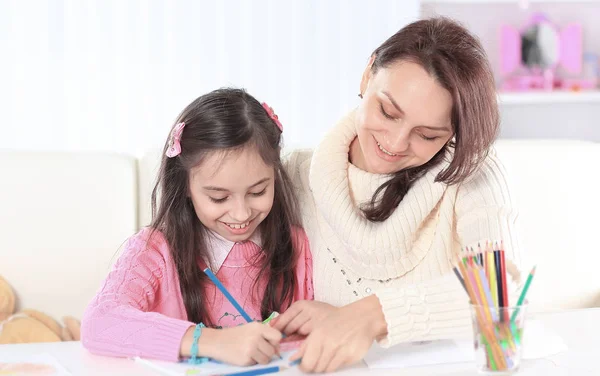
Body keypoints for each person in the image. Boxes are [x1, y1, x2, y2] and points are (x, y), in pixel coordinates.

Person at [274, 17, 523, 373]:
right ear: (367, 74)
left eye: (427, 135)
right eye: (387, 112)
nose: (394, 143)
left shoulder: (472, 171)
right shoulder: (294, 174)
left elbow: (499, 293)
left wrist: (370, 315)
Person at [81, 88, 313, 366]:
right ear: (186, 187)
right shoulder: (155, 251)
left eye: (258, 191)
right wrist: (213, 342)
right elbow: (99, 322)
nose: (241, 213)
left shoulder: (298, 247)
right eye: (219, 197)